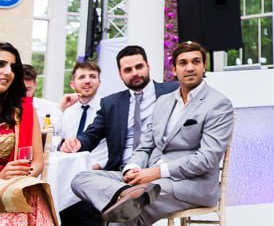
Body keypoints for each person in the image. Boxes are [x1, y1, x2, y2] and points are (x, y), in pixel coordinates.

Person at [71, 41, 234, 225]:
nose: (190, 68)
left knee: (127, 212)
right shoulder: (163, 102)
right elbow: (145, 146)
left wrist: (157, 172)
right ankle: (125, 194)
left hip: (190, 183)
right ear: (174, 69)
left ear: (204, 66)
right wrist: (133, 168)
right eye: (183, 63)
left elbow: (207, 159)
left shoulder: (218, 104)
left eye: (195, 62)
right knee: (81, 179)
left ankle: (131, 197)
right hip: (147, 180)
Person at [60, 45, 178, 171]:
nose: (135, 73)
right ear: (120, 75)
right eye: (127, 70)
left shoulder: (173, 91)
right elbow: (91, 135)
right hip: (121, 170)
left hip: (159, 168)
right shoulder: (111, 103)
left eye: (139, 67)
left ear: (148, 66)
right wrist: (78, 142)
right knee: (79, 180)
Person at [0, 42, 57, 225]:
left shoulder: (24, 109)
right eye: (1, 64)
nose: (8, 71)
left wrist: (17, 182)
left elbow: (37, 163)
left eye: (13, 67)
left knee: (29, 194)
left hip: (15, 188)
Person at [57, 60, 108, 226]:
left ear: (99, 82)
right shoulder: (66, 112)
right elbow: (55, 141)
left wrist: (94, 166)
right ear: (73, 84)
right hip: (65, 175)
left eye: (92, 76)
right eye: (82, 77)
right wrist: (60, 109)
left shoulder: (108, 108)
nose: (87, 81)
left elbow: (111, 145)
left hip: (94, 172)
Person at [21, 65, 61, 137]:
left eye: (27, 89)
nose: (23, 94)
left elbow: (57, 134)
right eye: (20, 90)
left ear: (35, 85)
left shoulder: (51, 108)